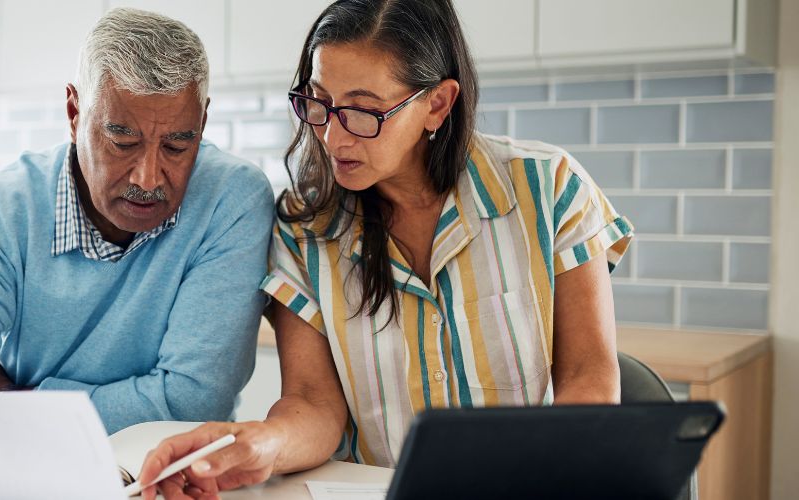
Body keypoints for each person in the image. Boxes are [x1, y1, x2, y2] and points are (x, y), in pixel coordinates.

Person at [136, 0, 634, 497]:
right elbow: (312, 403)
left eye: (362, 111)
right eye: (319, 102)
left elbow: (588, 376)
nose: (332, 136)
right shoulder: (304, 228)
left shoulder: (548, 189)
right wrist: (259, 444)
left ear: (437, 104)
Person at [0, 8, 275, 449]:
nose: (148, 177)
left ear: (202, 123)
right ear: (74, 112)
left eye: (178, 145)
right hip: (22, 467)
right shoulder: (0, 210)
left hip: (171, 473)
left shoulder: (232, 200)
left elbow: (191, 402)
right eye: (122, 141)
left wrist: (13, 402)